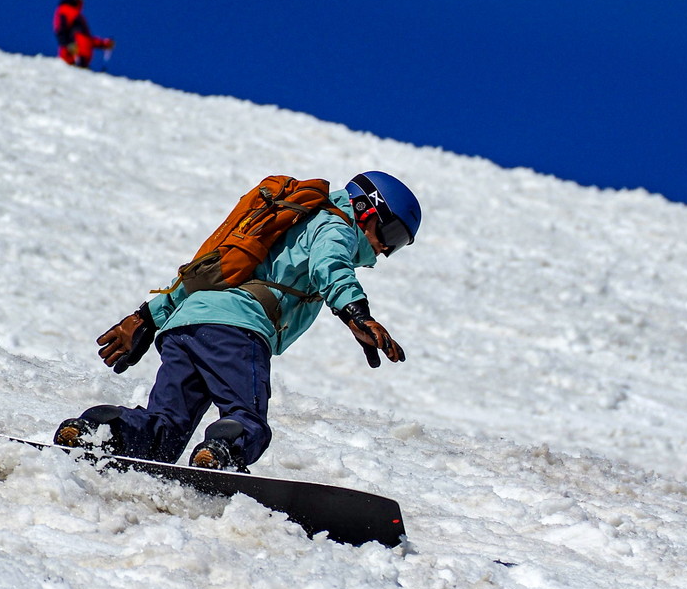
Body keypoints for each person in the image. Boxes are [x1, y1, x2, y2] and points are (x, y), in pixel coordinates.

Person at [54, 171, 422, 470]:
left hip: (186, 325)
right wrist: (356, 313)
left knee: (164, 432)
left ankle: (102, 429)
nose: (387, 250)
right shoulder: (336, 226)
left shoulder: (287, 225)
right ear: (365, 209)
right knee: (247, 419)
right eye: (391, 234)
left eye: (401, 244)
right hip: (236, 331)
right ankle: (222, 454)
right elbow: (332, 267)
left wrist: (146, 318)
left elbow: (209, 272)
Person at [52, 0, 114, 68]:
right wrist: (67, 45)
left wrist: (103, 44)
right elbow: (60, 29)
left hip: (83, 59)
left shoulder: (78, 15)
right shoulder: (64, 10)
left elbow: (86, 38)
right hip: (72, 57)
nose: (81, 0)